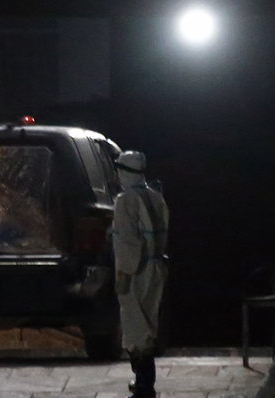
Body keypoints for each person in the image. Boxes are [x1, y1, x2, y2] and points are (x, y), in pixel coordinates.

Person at [112, 150, 169, 398]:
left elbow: (128, 241)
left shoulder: (126, 200)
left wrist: (124, 272)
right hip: (156, 267)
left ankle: (145, 386)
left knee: (136, 328)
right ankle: (145, 382)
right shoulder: (155, 197)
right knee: (148, 325)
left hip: (137, 270)